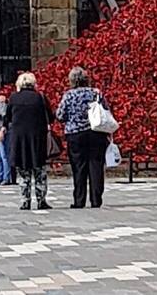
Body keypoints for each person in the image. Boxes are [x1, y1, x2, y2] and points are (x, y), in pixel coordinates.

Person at [57, 67, 112, 208]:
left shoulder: (68, 95)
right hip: (96, 132)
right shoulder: (95, 93)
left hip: (75, 134)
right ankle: (96, 199)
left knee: (78, 167)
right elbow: (106, 110)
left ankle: (79, 200)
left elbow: (60, 115)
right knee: (96, 166)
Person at [1, 72, 55, 210]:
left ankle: (26, 200)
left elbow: (7, 118)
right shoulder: (40, 98)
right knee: (39, 171)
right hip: (37, 138)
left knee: (23, 171)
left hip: (19, 139)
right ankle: (41, 200)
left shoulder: (13, 98)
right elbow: (50, 116)